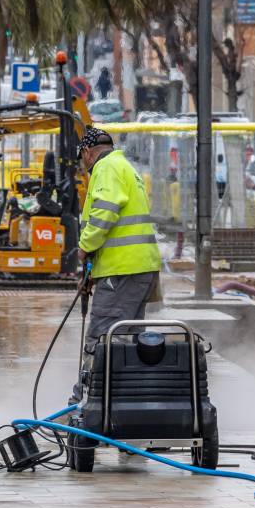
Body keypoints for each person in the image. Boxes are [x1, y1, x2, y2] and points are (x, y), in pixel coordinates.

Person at [71, 126, 162, 400]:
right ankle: (129, 403)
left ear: (87, 153)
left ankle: (86, 403)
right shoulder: (124, 166)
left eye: (81, 160)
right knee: (130, 342)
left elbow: (106, 211)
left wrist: (84, 247)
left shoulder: (106, 168)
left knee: (102, 338)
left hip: (122, 272)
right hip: (136, 269)